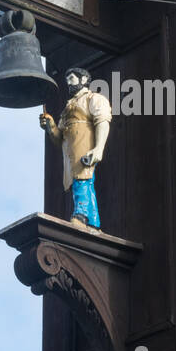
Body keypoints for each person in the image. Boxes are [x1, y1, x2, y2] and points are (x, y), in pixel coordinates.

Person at [40, 67, 112, 230]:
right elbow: (59, 138)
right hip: (70, 149)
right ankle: (93, 222)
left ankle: (82, 214)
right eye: (67, 80)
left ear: (84, 79)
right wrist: (50, 126)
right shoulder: (68, 107)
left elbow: (102, 121)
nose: (69, 83)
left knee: (82, 179)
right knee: (81, 181)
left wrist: (99, 148)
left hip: (84, 143)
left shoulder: (93, 98)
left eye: (71, 78)